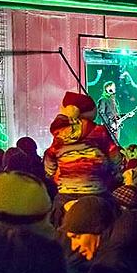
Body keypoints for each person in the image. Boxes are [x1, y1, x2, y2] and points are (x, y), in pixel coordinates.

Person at [44, 91, 122, 226]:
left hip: (66, 192)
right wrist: (113, 172)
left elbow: (50, 159)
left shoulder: (60, 134)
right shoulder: (98, 131)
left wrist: (53, 174)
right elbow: (115, 157)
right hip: (96, 191)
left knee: (57, 221)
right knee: (113, 216)